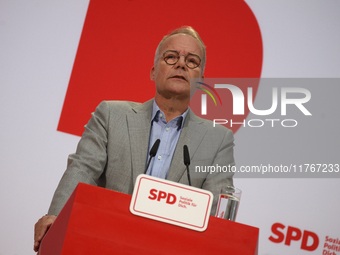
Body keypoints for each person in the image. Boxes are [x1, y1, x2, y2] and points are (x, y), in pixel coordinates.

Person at [34, 26, 235, 252]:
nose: (180, 64)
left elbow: (217, 212)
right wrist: (57, 217)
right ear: (152, 71)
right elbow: (83, 170)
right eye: (170, 57)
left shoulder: (218, 139)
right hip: (104, 242)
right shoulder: (111, 115)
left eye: (191, 61)